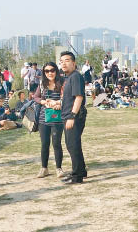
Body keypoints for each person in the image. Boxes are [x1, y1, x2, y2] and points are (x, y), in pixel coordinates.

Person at [33, 62, 66, 178]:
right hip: (43, 119)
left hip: (57, 118)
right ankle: (44, 168)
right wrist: (43, 101)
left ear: (56, 71)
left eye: (52, 70)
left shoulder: (62, 83)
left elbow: (67, 98)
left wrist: (59, 104)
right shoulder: (42, 84)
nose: (50, 73)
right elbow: (35, 97)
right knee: (44, 144)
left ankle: (59, 168)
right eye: (47, 71)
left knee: (56, 143)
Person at [59, 51, 87, 184]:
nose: (64, 63)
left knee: (72, 145)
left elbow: (79, 97)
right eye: (61, 61)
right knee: (74, 145)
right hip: (68, 115)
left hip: (73, 117)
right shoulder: (69, 77)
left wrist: (72, 116)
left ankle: (77, 176)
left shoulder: (75, 76)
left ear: (74, 63)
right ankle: (81, 171)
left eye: (67, 60)